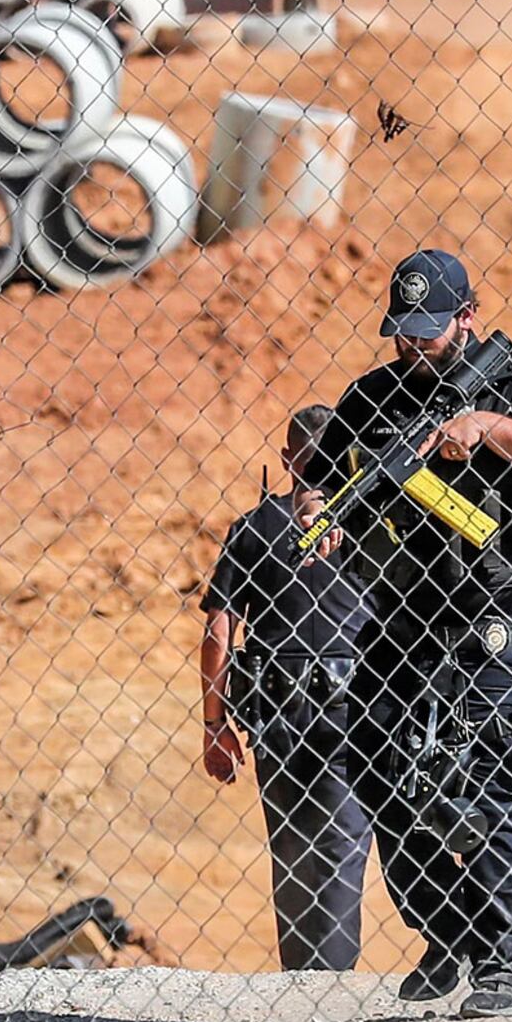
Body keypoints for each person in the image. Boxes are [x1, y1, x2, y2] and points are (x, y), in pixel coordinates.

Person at [329, 248, 512, 1019]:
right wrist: (322, 510)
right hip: (402, 610)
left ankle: (504, 963)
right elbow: (325, 473)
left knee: (483, 775)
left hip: (495, 616)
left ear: (467, 318)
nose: (413, 347)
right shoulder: (373, 395)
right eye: (401, 333)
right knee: (376, 766)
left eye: (429, 332)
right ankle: (447, 930)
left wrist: (488, 427)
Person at [199, 405, 378, 971]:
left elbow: (219, 628)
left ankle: (304, 975)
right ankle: (328, 982)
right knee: (343, 845)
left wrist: (213, 723)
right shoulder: (375, 524)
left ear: (286, 460)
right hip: (355, 707)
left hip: (275, 709)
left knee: (294, 847)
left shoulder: (253, 528)